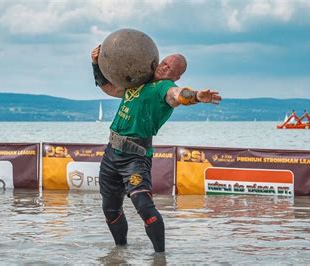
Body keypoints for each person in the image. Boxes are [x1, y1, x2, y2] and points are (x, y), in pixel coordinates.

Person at [91, 45, 221, 253]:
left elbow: (177, 95)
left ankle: (160, 257)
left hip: (135, 158)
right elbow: (109, 88)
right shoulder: (138, 82)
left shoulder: (164, 88)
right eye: (164, 62)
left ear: (176, 76)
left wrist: (195, 96)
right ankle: (120, 253)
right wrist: (95, 64)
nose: (164, 67)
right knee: (110, 208)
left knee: (144, 207)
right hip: (111, 154)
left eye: (170, 68)